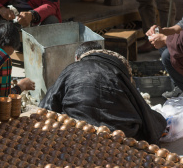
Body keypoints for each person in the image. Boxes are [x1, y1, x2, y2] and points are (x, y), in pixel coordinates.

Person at [39, 41, 167, 144]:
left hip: (77, 131)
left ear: (77, 58)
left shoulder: (72, 69)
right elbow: (140, 107)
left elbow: (48, 105)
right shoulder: (117, 71)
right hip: (119, 135)